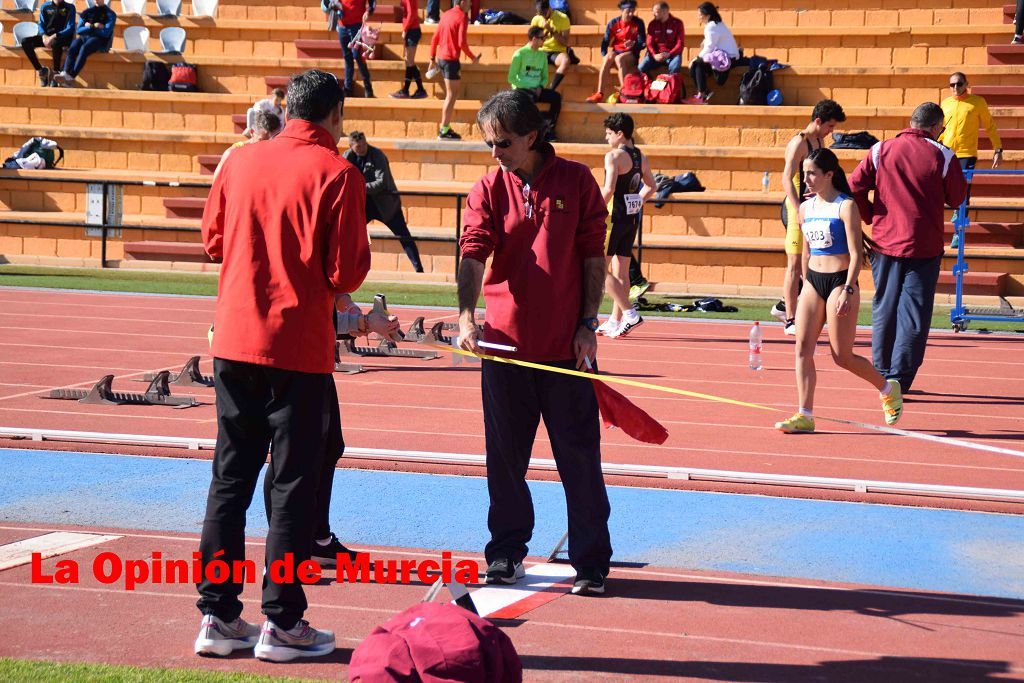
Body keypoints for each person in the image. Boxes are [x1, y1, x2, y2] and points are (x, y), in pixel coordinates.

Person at [195, 69, 370, 662]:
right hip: (296, 347)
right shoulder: (339, 173)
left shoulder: (240, 161)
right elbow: (347, 272)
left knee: (229, 477)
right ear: (335, 115)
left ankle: (218, 614)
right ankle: (284, 620)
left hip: (234, 338)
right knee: (293, 483)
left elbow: (214, 242)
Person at [457, 90, 612, 596]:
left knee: (579, 458)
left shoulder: (578, 180)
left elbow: (594, 254)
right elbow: (473, 252)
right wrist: (465, 316)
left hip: (566, 350)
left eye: (502, 143)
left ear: (531, 135)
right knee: (503, 461)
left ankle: (590, 561)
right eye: (488, 143)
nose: (494, 153)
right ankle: (504, 553)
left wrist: (589, 321)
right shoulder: (487, 187)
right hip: (504, 348)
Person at [774, 149, 903, 434]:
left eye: (812, 174)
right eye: (804, 173)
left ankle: (886, 387)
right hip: (814, 282)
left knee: (841, 356)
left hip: (840, 282)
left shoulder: (845, 206)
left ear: (829, 175)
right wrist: (806, 284)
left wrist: (847, 288)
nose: (806, 179)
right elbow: (806, 253)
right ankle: (805, 414)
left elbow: (857, 254)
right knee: (801, 350)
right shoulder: (805, 208)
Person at [849, 102, 968, 393]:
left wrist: (870, 215)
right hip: (923, 246)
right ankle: (900, 379)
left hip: (884, 242)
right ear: (936, 126)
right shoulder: (942, 154)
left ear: (912, 121)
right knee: (913, 313)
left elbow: (853, 187)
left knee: (885, 307)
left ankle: (880, 373)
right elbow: (957, 198)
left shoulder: (880, 150)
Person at [774, 99, 847, 336]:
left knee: (811, 260)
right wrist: (798, 211)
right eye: (830, 126)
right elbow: (786, 179)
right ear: (818, 121)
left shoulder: (818, 140)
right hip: (797, 208)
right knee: (795, 263)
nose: (831, 131)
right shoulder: (799, 143)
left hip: (811, 208)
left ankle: (787, 305)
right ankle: (791, 319)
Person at [598, 113, 655, 338]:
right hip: (630, 219)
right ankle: (615, 320)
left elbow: (609, 189)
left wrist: (590, 210)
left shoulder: (613, 156)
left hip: (612, 218)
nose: (606, 138)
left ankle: (630, 314)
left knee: (598, 269)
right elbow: (651, 186)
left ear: (620, 134)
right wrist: (637, 201)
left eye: (608, 133)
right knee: (621, 272)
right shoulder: (640, 156)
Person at [343, 131, 424, 272]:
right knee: (351, 235)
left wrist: (358, 187)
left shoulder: (378, 155)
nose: (362, 149)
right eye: (358, 147)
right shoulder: (346, 157)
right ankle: (348, 267)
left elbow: (381, 183)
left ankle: (419, 270)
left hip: (386, 205)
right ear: (351, 146)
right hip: (363, 206)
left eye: (364, 145)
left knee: (404, 236)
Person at [940, 72, 1003, 248]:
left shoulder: (977, 102)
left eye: (959, 84)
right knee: (944, 188)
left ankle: (958, 233)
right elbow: (941, 129)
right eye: (951, 85)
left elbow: (989, 125)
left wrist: (997, 149)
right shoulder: (945, 104)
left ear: (967, 83)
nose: (955, 88)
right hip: (947, 152)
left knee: (963, 191)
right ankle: (956, 215)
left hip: (966, 153)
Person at [428, 0, 480, 140]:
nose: (470, 5)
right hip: (451, 60)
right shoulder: (462, 17)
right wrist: (472, 57)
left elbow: (434, 39)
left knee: (451, 95)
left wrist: (432, 59)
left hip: (441, 59)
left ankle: (445, 128)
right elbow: (461, 42)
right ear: (462, 1)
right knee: (451, 96)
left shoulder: (445, 15)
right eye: (469, 2)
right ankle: (444, 130)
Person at [508, 27, 562, 141]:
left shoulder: (542, 56)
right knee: (529, 100)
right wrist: (529, 87)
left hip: (537, 89)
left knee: (556, 97)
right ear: (534, 38)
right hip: (522, 89)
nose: (544, 40)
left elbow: (545, 77)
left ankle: (549, 131)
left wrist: (540, 86)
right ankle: (532, 132)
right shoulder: (520, 54)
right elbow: (512, 78)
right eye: (542, 38)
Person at [586, 0, 645, 103]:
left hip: (631, 53)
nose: (631, 14)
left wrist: (634, 44)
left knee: (619, 58)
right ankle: (599, 94)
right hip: (617, 50)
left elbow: (643, 43)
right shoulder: (613, 23)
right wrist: (603, 54)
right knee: (608, 58)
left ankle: (625, 93)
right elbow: (605, 42)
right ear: (622, 11)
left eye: (633, 11)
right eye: (628, 11)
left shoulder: (638, 23)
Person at [51, 0, 114, 86]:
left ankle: (71, 76)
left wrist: (88, 27)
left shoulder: (110, 14)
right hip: (85, 37)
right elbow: (79, 30)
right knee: (73, 45)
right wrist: (94, 26)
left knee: (84, 48)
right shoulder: (87, 12)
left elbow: (106, 33)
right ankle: (65, 72)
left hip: (99, 40)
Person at [688, 1, 738, 103]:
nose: (699, 17)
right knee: (698, 65)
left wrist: (695, 58)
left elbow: (709, 47)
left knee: (697, 64)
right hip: (729, 57)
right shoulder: (718, 24)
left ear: (708, 15)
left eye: (700, 15)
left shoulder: (711, 26)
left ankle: (702, 94)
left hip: (726, 59)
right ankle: (703, 92)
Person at [323, 0, 375, 97]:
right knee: (347, 57)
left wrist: (368, 11)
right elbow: (326, 2)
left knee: (357, 55)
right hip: (343, 25)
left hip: (357, 24)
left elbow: (372, 2)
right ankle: (348, 89)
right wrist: (332, 5)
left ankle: (368, 87)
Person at [21, 0, 76, 88]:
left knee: (56, 43)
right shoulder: (45, 6)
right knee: (25, 42)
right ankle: (41, 71)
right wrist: (44, 36)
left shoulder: (70, 7)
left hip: (62, 37)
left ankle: (55, 72)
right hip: (47, 37)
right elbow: (40, 24)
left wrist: (54, 36)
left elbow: (70, 27)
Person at [214, 110, 281, 178]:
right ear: (252, 132)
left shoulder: (279, 155)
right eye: (262, 140)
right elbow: (217, 184)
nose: (266, 146)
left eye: (272, 141)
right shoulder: (232, 154)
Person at [530, 0, 577, 92]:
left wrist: (551, 31)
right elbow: (532, 41)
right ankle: (530, 89)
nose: (543, 16)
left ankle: (551, 90)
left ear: (549, 8)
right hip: (541, 50)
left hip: (556, 51)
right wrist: (543, 32)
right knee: (527, 62)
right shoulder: (536, 19)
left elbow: (565, 42)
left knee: (566, 61)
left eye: (544, 13)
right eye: (540, 14)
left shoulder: (563, 18)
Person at [389, 0, 427, 98]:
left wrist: (405, 29)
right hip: (412, 29)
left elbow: (412, 13)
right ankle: (418, 89)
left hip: (412, 30)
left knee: (409, 61)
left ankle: (408, 90)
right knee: (409, 61)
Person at [639, 2, 684, 78]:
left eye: (656, 12)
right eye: (653, 11)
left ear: (665, 12)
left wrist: (669, 53)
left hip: (672, 55)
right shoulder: (652, 24)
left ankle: (671, 88)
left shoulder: (677, 23)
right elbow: (649, 43)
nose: (654, 14)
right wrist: (654, 55)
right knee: (640, 68)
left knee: (674, 68)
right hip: (656, 55)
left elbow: (680, 44)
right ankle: (651, 86)